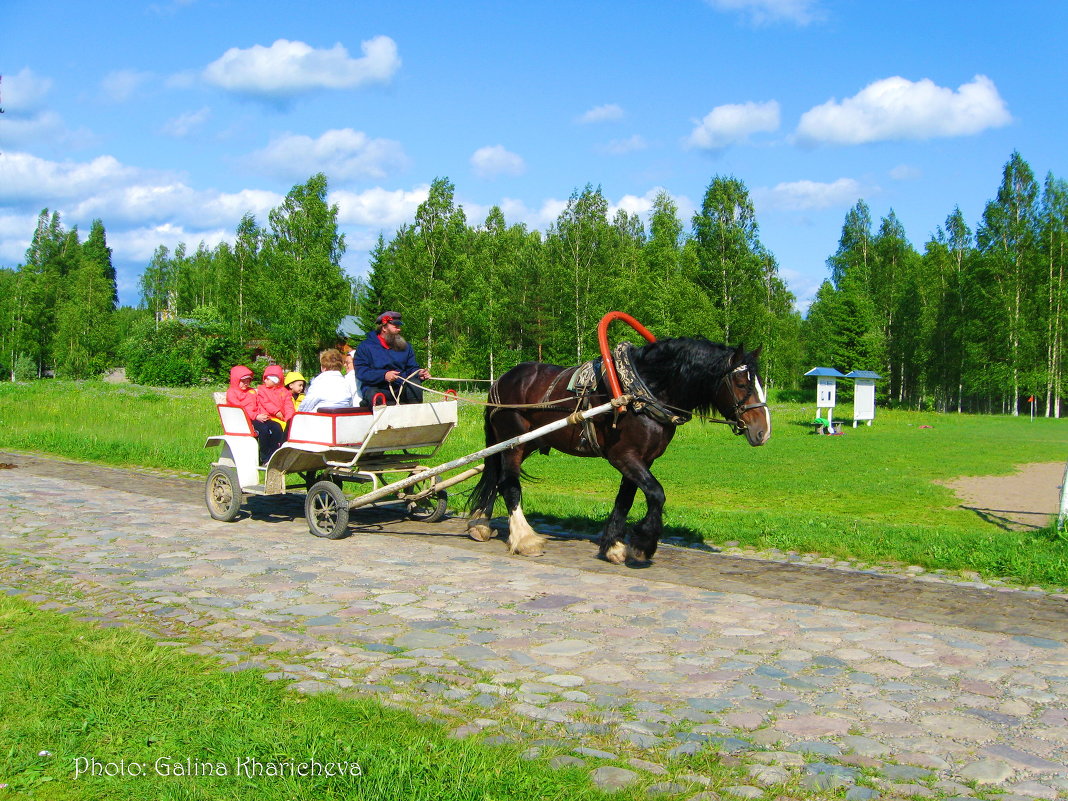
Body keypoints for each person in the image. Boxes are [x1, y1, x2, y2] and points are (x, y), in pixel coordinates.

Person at [354, 311, 430, 406]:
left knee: (415, 384)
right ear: (384, 327)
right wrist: (384, 375)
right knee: (374, 394)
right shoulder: (365, 347)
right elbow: (361, 372)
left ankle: (415, 418)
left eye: (399, 326)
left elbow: (411, 368)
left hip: (400, 388)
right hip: (378, 389)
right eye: (395, 326)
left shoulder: (406, 347)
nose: (399, 330)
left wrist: (419, 373)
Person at [226, 364, 285, 464]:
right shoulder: (232, 393)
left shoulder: (252, 391)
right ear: (236, 380)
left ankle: (273, 454)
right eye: (243, 381)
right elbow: (240, 408)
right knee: (263, 430)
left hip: (258, 417)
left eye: (248, 381)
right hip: (244, 419)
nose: (246, 383)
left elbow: (259, 403)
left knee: (276, 427)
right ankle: (264, 458)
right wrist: (255, 416)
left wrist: (264, 414)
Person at [256, 365, 295, 432]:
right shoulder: (262, 389)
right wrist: (276, 411)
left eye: (268, 379)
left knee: (287, 428)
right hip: (267, 417)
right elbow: (265, 402)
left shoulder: (285, 392)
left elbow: (289, 406)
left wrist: (289, 420)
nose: (265, 380)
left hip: (281, 418)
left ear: (275, 381)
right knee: (278, 428)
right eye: (265, 378)